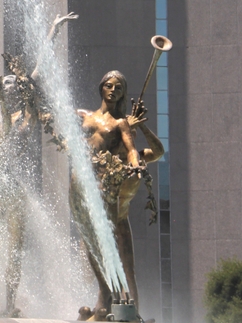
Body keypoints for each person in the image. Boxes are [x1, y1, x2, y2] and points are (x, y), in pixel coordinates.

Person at [0, 13, 75, 317]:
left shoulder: (24, 119)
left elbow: (39, 73)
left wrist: (53, 32)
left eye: (17, 87)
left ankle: (9, 303)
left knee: (14, 252)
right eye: (8, 85)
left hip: (12, 191)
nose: (12, 87)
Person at [74, 71, 164, 320]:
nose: (113, 90)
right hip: (85, 191)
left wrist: (136, 156)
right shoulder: (82, 116)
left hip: (114, 210)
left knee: (125, 266)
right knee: (92, 246)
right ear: (101, 87)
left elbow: (142, 152)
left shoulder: (121, 127)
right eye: (110, 85)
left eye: (119, 88)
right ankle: (104, 302)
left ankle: (125, 310)